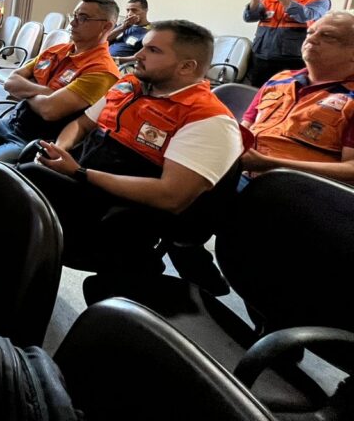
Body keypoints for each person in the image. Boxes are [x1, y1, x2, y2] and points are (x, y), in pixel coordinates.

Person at [23, 20, 243, 277]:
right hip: (87, 179)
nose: (138, 54)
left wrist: (80, 173)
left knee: (27, 182)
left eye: (153, 51)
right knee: (32, 158)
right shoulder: (130, 85)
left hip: (120, 207)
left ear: (186, 66)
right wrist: (60, 149)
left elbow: (171, 196)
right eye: (143, 46)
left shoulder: (208, 118)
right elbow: (81, 125)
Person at [0, 0, 120, 162]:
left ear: (106, 26)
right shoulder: (57, 50)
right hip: (10, 123)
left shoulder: (102, 71)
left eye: (83, 18)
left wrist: (27, 89)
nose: (73, 23)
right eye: (74, 16)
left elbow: (50, 110)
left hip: (35, 141)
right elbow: (11, 82)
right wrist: (48, 92)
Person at [240, 11, 354, 186]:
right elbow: (243, 130)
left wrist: (272, 165)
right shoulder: (280, 79)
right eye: (310, 32)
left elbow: (351, 170)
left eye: (328, 36)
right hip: (240, 174)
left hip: (298, 191)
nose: (311, 39)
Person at [243, 0, 330, 87]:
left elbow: (306, 16)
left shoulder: (319, 0)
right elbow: (249, 17)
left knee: (286, 95)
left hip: (292, 60)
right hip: (261, 56)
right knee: (256, 93)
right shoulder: (269, 0)